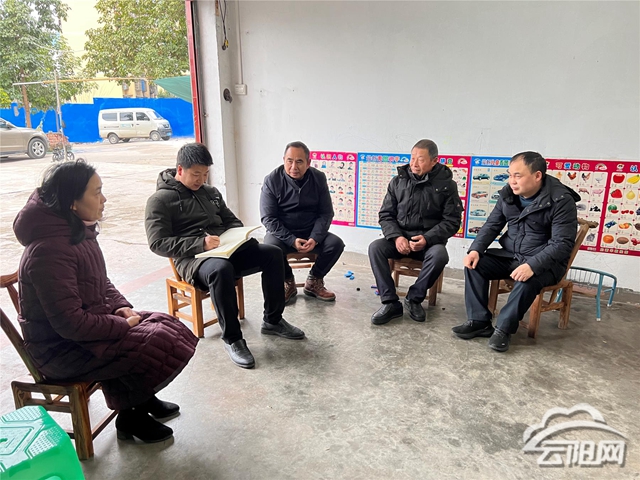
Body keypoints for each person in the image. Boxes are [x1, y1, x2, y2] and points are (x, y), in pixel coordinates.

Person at [13, 161, 198, 444]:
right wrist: (121, 325)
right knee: (153, 340)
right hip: (60, 350)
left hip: (82, 333)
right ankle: (131, 415)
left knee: (163, 324)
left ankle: (141, 399)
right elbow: (70, 323)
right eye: (97, 192)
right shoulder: (48, 252)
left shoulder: (76, 231)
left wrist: (120, 307)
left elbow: (101, 282)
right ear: (72, 202)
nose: (104, 199)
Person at [145, 143, 304, 369]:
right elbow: (157, 243)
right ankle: (233, 339)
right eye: (196, 174)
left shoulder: (210, 193)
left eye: (205, 174)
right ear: (180, 170)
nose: (201, 180)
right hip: (193, 261)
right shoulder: (160, 201)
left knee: (273, 253)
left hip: (225, 250)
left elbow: (231, 220)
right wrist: (200, 244)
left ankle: (273, 320)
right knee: (221, 269)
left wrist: (236, 236)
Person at [452, 151, 579, 352]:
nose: (512, 181)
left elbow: (562, 244)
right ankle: (479, 321)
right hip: (512, 255)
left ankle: (504, 329)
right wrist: (475, 249)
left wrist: (532, 265)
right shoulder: (508, 194)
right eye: (510, 175)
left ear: (537, 176)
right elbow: (492, 225)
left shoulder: (561, 200)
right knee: (475, 265)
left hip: (546, 264)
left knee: (527, 280)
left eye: (517, 176)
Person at [369, 139, 463, 324]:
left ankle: (414, 299)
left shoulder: (447, 185)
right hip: (400, 239)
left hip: (429, 242)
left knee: (440, 255)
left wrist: (427, 238)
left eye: (420, 159)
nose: (414, 163)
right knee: (375, 248)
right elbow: (386, 215)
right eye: (412, 158)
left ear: (434, 161)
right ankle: (390, 302)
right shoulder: (398, 181)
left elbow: (452, 221)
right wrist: (397, 237)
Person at [261, 141, 345, 303]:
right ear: (283, 160)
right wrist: (291, 240)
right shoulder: (272, 180)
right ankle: (288, 281)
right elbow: (268, 218)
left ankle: (314, 280)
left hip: (310, 231)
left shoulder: (318, 178)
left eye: (299, 162)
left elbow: (326, 213)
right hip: (283, 234)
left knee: (336, 244)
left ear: (308, 163)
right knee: (270, 247)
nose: (294, 167)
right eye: (289, 161)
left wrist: (315, 238)